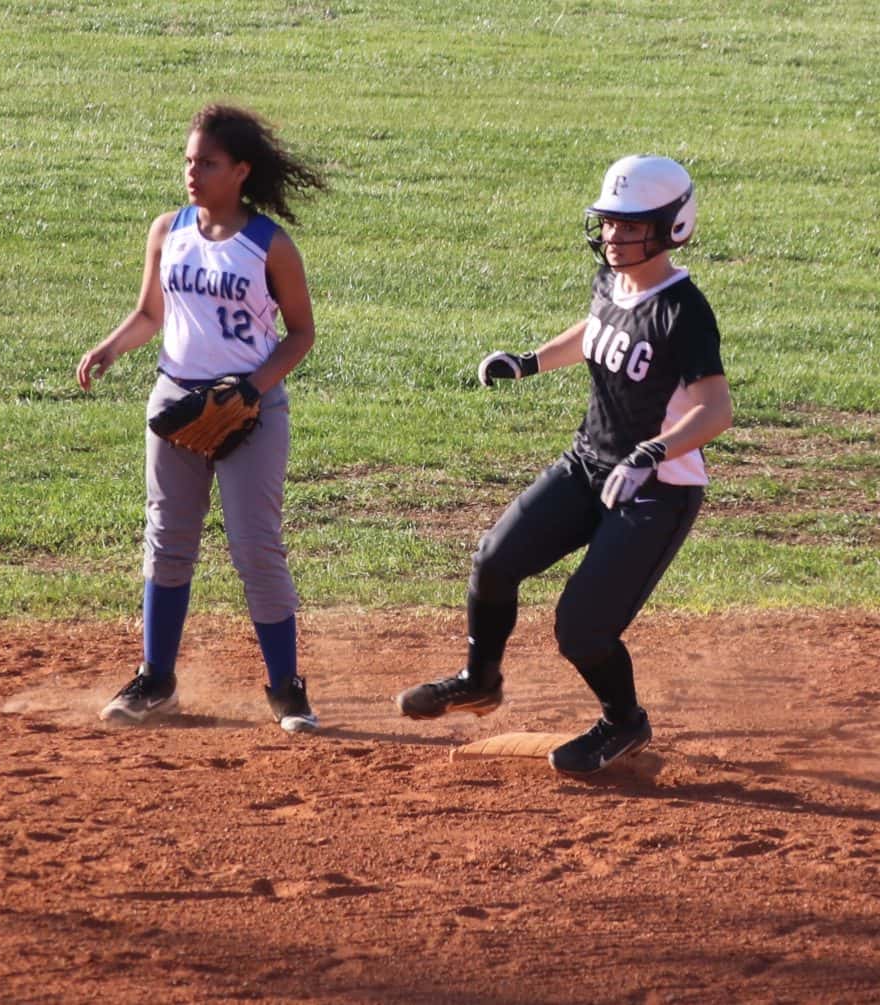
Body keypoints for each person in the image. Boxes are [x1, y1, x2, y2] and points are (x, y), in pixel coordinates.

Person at [396, 155, 733, 775]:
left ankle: (623, 722)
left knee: (581, 628)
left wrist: (651, 452)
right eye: (609, 222)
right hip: (588, 463)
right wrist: (529, 361)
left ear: (673, 227)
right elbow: (596, 328)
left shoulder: (684, 312)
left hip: (657, 488)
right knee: (494, 560)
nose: (614, 236)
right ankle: (479, 679)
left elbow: (716, 410)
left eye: (632, 226)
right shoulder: (612, 280)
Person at [76, 104, 326, 732]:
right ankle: (156, 680)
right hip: (175, 403)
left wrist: (250, 388)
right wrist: (110, 346)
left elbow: (301, 334)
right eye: (189, 161)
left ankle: (287, 688)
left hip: (252, 410)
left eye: (208, 163)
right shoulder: (168, 230)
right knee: (167, 541)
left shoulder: (269, 245)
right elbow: (149, 313)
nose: (192, 172)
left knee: (256, 548)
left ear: (240, 171)